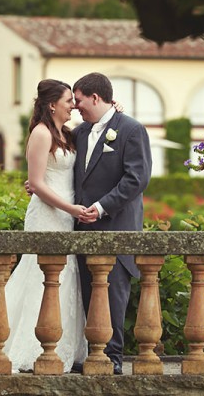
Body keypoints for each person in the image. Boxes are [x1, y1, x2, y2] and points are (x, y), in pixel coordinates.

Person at [0, 79, 89, 373]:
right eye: (68, 101)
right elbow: (37, 183)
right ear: (52, 105)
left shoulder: (67, 134)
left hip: (65, 216)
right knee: (39, 278)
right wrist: (70, 208)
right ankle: (31, 347)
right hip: (48, 215)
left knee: (63, 278)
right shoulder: (40, 133)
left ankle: (59, 347)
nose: (73, 105)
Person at [72, 72, 152, 375]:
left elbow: (137, 179)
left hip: (117, 226)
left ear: (95, 97)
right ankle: (92, 353)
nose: (77, 107)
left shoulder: (131, 129)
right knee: (86, 294)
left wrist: (101, 207)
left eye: (80, 101)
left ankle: (113, 358)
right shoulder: (80, 132)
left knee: (114, 295)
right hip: (82, 228)